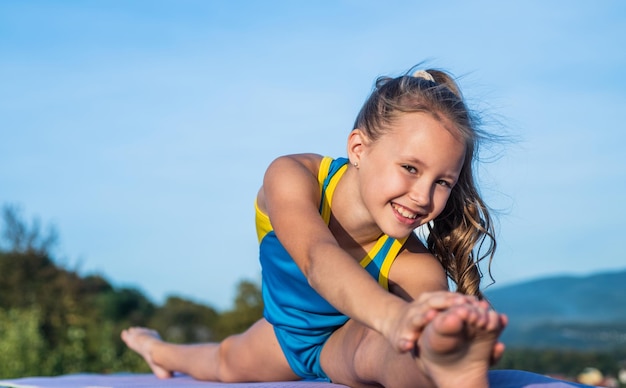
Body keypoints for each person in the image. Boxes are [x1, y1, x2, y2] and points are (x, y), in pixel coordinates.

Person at [122, 66, 509, 388]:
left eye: (443, 182)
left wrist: (433, 335)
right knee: (223, 361)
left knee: (375, 353)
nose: (424, 197)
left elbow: (404, 336)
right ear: (359, 149)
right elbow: (316, 257)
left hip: (341, 341)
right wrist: (394, 318)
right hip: (280, 336)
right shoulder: (294, 176)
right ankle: (156, 348)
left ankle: (446, 371)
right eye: (410, 168)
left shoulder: (414, 266)